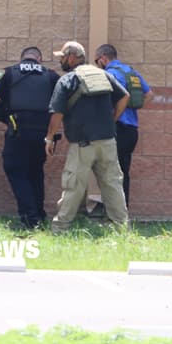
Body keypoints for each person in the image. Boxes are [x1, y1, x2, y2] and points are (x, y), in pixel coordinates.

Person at [46, 41, 129, 233]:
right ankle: (121, 229)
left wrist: (49, 138)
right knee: (113, 185)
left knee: (73, 185)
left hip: (83, 143)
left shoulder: (67, 80)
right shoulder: (104, 75)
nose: (61, 61)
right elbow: (124, 97)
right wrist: (112, 120)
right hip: (108, 141)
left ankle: (61, 228)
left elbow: (57, 113)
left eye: (63, 57)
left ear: (73, 57)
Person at [0, 47, 58, 228]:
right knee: (35, 172)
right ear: (39, 59)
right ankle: (38, 215)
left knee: (16, 171)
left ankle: (30, 219)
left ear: (21, 59)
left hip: (18, 133)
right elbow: (61, 105)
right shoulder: (51, 76)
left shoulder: (7, 73)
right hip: (43, 135)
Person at [93, 44, 152, 208]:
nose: (97, 64)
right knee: (123, 172)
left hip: (117, 129)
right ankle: (122, 209)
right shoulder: (131, 72)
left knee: (110, 173)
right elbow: (149, 94)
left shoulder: (109, 74)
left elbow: (121, 98)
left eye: (97, 61)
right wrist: (133, 109)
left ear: (103, 58)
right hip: (132, 130)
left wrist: (113, 119)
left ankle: (114, 212)